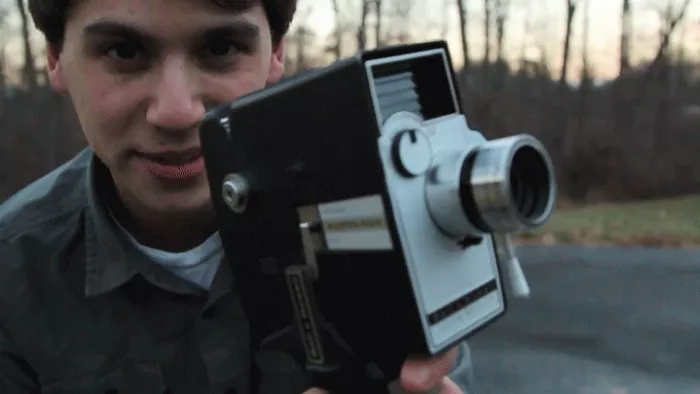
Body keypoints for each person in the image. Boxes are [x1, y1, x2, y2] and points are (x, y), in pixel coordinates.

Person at [0, 0, 478, 393]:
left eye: (222, 47)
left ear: (276, 53)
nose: (176, 111)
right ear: (54, 57)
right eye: (125, 52)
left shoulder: (388, 215)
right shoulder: (11, 276)